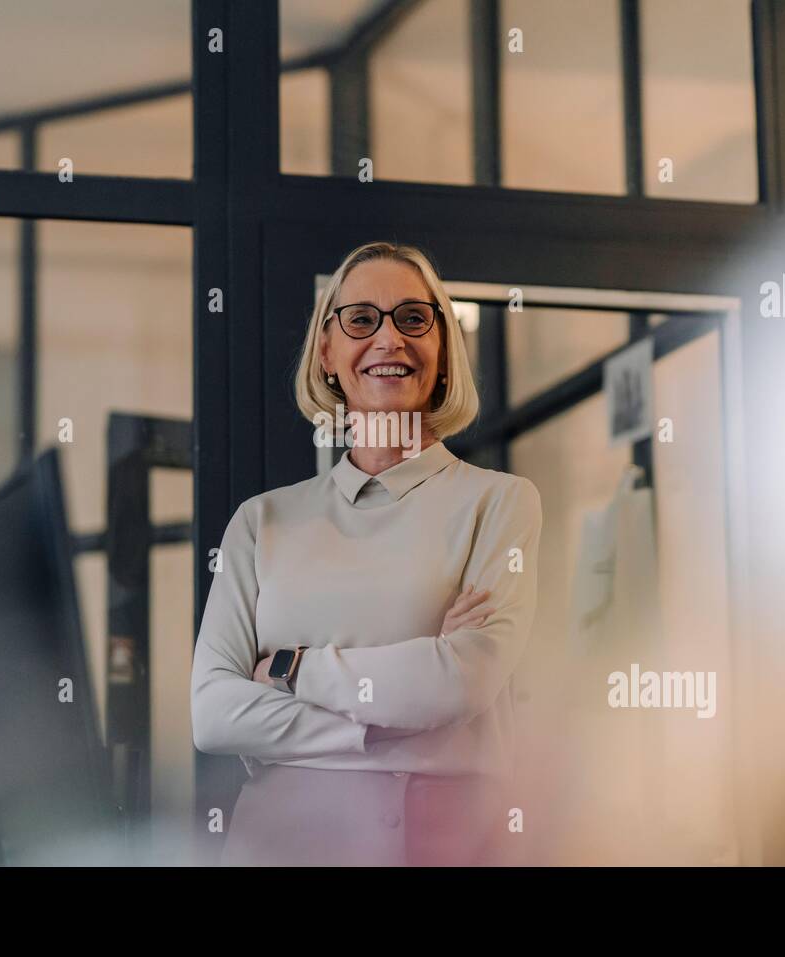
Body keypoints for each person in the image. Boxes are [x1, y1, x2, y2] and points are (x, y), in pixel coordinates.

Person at [190, 241, 542, 866]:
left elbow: (465, 682)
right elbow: (213, 714)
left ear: (442, 351)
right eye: (360, 319)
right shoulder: (261, 521)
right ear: (327, 351)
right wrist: (397, 719)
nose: (389, 339)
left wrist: (289, 672)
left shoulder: (501, 502)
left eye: (414, 318)